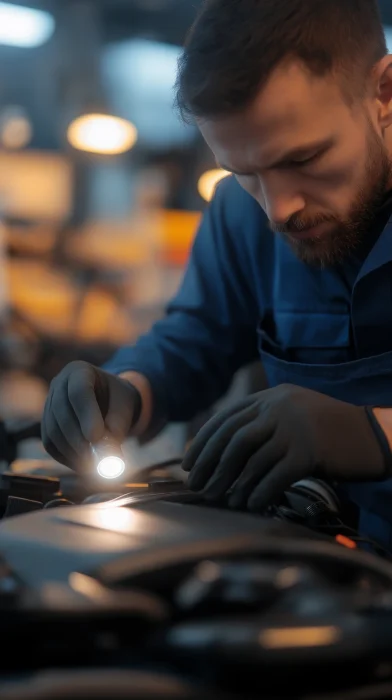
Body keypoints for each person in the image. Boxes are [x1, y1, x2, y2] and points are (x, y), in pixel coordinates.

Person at [42, 0, 392, 547]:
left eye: (302, 159)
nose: (278, 209)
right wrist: (127, 392)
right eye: (243, 171)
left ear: (384, 93)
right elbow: (195, 340)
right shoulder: (239, 212)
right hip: (329, 570)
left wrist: (376, 432)